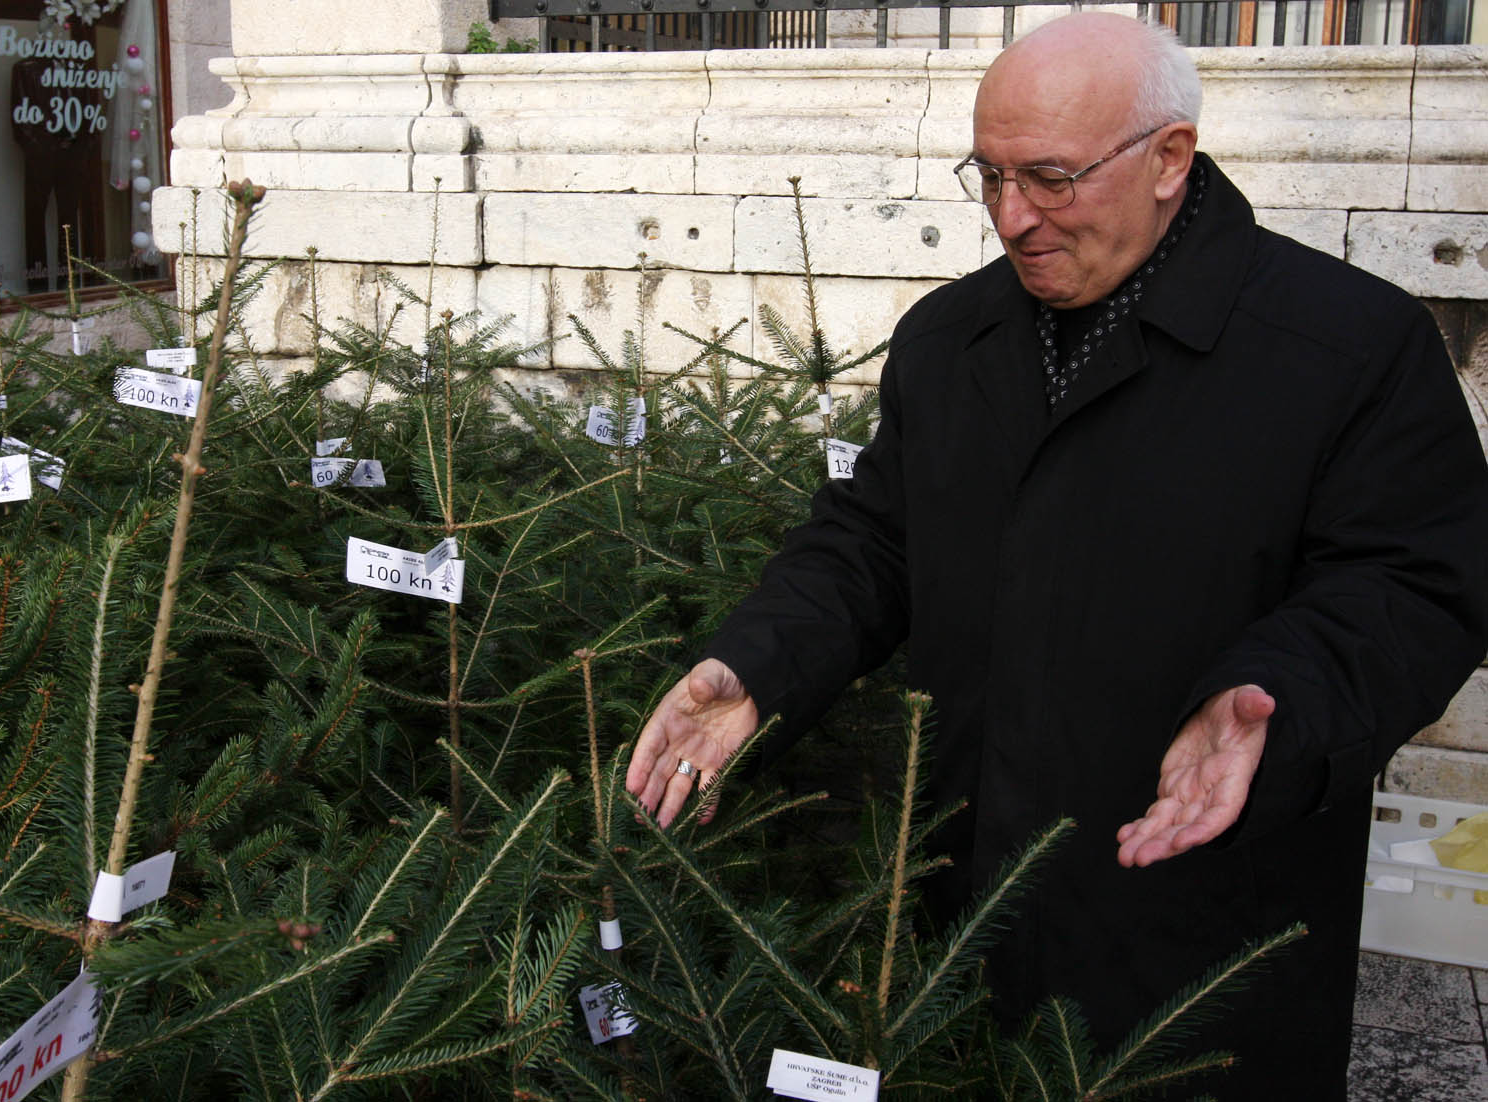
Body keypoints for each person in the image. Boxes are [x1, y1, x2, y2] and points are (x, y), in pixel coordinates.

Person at [625, 12, 1488, 1096]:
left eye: (1048, 177)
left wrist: (1280, 696)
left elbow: (1412, 585)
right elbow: (874, 538)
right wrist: (757, 665)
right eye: (986, 176)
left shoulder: (1348, 345)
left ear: (1168, 158)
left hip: (1196, 927)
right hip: (967, 903)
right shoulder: (949, 339)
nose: (1010, 216)